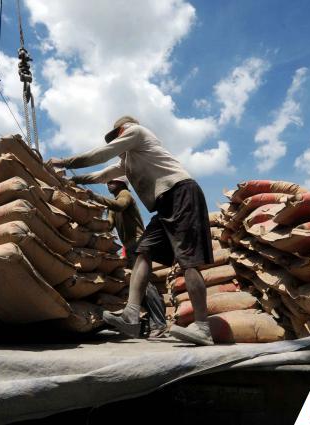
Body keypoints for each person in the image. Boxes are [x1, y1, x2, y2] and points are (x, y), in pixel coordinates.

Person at [50, 116, 214, 345]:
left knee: (187, 260)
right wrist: (75, 181)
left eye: (116, 136)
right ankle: (131, 314)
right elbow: (101, 175)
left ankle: (202, 327)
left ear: (123, 130)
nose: (117, 142)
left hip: (181, 192)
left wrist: (65, 162)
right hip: (163, 203)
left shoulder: (137, 132)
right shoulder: (127, 162)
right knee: (143, 253)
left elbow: (101, 155)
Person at [88, 177, 167, 337]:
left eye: (112, 181)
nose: (108, 184)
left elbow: (120, 206)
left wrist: (96, 198)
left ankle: (159, 323)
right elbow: (109, 225)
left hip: (138, 243)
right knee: (135, 285)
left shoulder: (125, 195)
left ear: (122, 184)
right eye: (108, 182)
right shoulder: (112, 204)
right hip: (128, 246)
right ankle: (142, 323)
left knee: (143, 284)